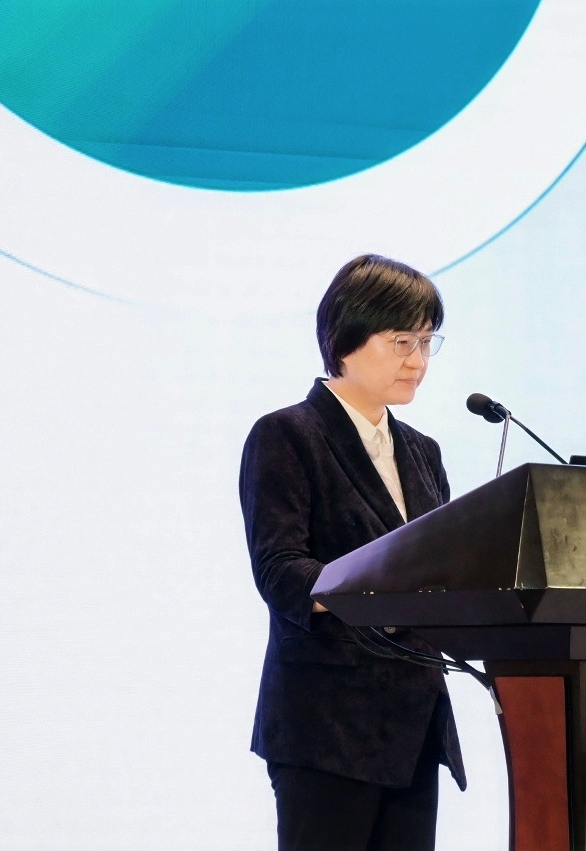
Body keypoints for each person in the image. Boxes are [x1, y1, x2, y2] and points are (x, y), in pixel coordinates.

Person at [238, 254, 465, 851]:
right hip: (326, 726)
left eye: (426, 342)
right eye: (401, 342)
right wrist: (385, 590)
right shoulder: (287, 435)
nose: (418, 361)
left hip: (412, 724)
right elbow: (282, 572)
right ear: (344, 339)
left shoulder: (423, 452)